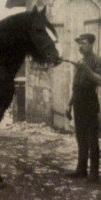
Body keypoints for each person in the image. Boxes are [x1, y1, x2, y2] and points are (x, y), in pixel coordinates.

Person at [66, 33, 100, 183]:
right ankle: (81, 170)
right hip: (78, 101)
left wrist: (85, 68)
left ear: (91, 44)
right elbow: (76, 86)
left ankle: (94, 173)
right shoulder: (79, 62)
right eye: (79, 43)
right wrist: (69, 104)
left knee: (92, 138)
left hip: (90, 102)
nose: (80, 46)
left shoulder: (97, 61)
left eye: (84, 43)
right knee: (80, 137)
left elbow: (99, 80)